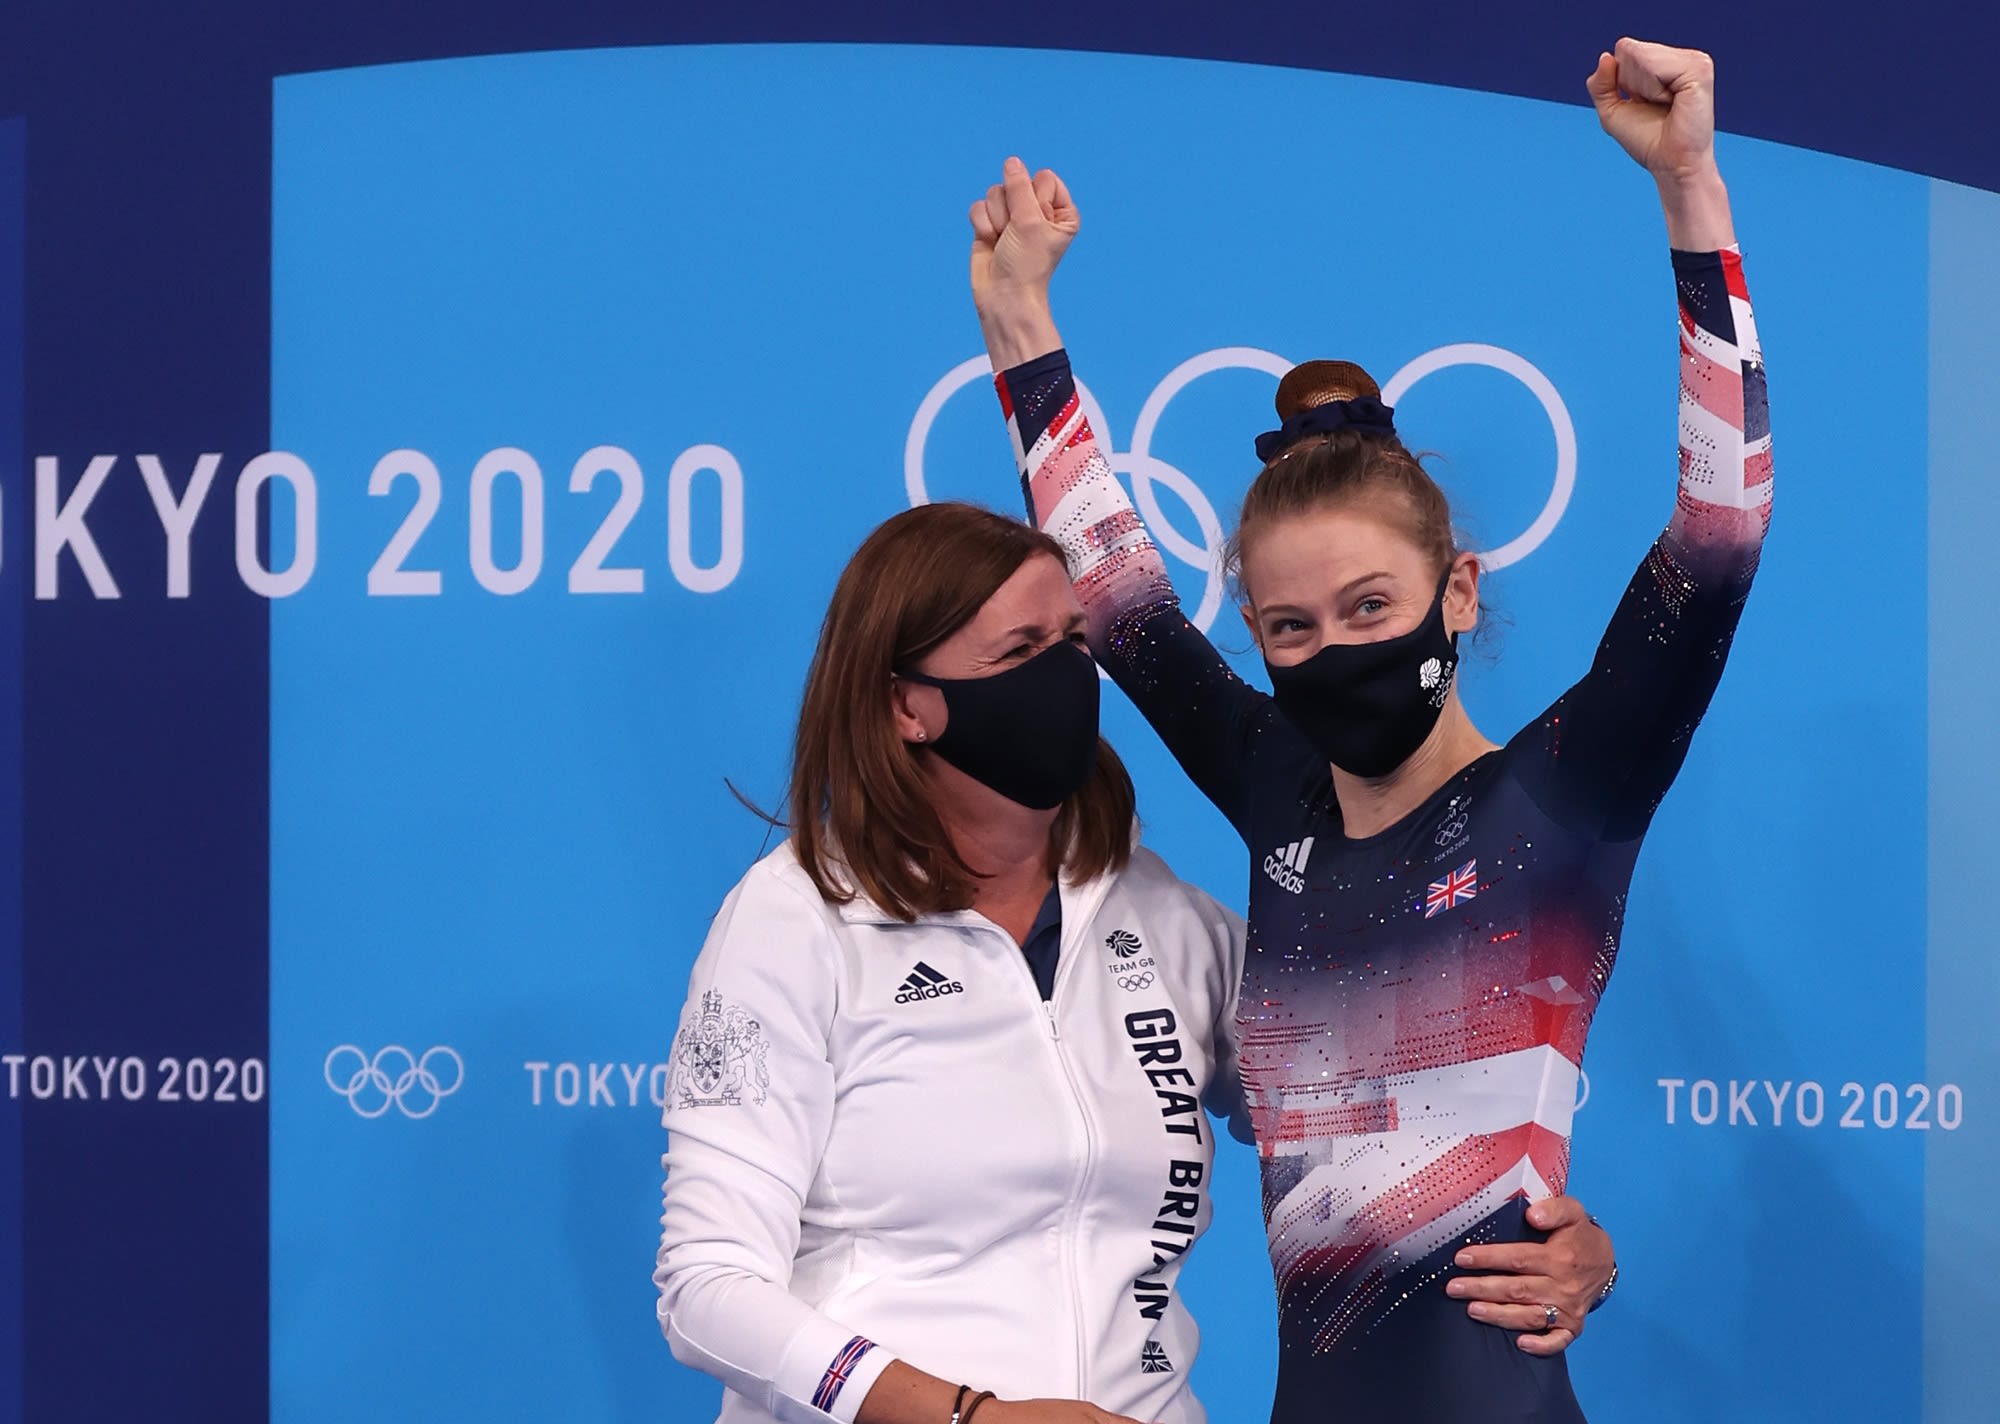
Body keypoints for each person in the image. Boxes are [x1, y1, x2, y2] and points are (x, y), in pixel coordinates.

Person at [966, 37, 1763, 1424]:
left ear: (1457, 593)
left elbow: (1720, 530)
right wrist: (1021, 328)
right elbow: (1114, 589)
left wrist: (1691, 190)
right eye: (1290, 629)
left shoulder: (1565, 801)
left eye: (1369, 605)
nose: (1331, 650)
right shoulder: (1280, 792)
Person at [652, 505, 1615, 1423]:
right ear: (909, 706)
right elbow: (708, 1291)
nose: (1066, 677)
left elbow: (1392, 1102)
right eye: (1021, 653)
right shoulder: (795, 923)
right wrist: (968, 1415)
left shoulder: (1162, 920)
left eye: (1074, 642)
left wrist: (1567, 1249)